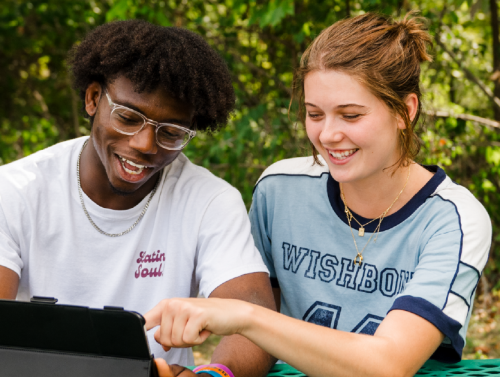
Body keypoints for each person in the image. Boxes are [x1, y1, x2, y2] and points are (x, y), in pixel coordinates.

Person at [145, 13, 492, 377]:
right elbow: (260, 326)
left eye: (351, 115)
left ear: (405, 111)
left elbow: (388, 365)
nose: (327, 135)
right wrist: (217, 374)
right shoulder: (280, 190)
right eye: (314, 114)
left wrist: (244, 315)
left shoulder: (454, 219)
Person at [0, 20, 277, 376]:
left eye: (172, 132)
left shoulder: (209, 200)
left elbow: (255, 320)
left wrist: (212, 375)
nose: (145, 144)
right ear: (93, 99)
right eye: (129, 118)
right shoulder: (17, 189)